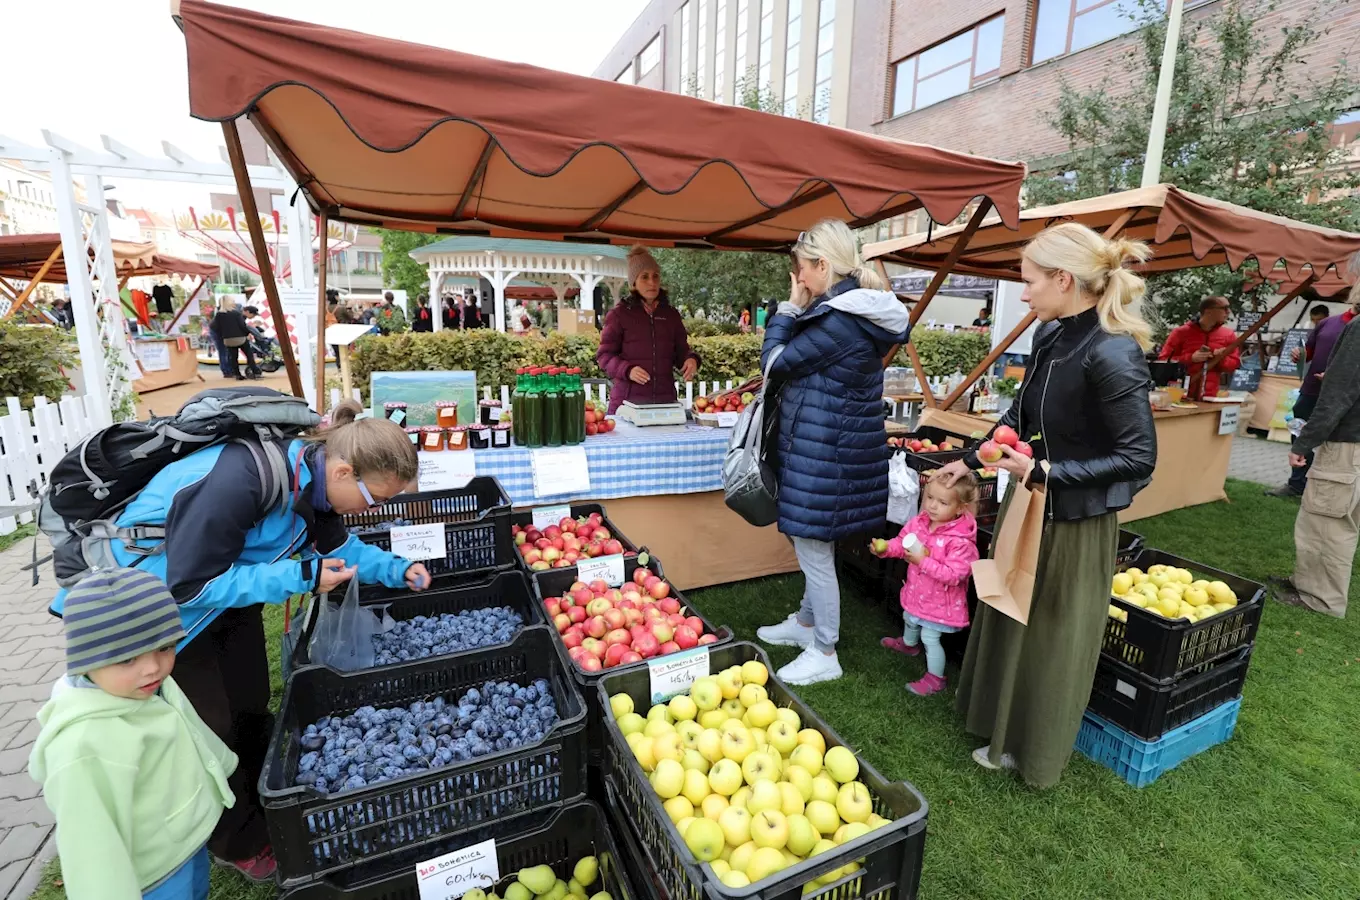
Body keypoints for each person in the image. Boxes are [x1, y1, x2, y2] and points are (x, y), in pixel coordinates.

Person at [48, 401, 433, 880]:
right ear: (342, 470)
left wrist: (396, 569)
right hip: (158, 620)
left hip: (224, 604)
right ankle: (238, 842)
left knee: (251, 704)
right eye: (373, 500)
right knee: (211, 730)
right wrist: (301, 576)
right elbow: (189, 585)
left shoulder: (314, 489)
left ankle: (264, 809)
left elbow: (338, 549)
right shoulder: (241, 480)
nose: (373, 510)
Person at [934, 221, 1157, 787]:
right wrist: (973, 457)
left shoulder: (1112, 353)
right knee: (1009, 613)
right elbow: (1019, 419)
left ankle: (1029, 750)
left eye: (1030, 281)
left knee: (1050, 638)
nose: (1024, 291)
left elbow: (1139, 460)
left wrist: (1044, 470)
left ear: (1064, 279)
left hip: (1074, 523)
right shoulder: (1052, 335)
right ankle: (997, 725)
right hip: (1029, 505)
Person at [752, 219, 910, 686]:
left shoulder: (839, 319)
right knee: (812, 543)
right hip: (830, 454)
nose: (797, 279)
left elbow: (774, 364)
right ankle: (805, 623)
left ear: (822, 265)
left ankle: (825, 649)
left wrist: (786, 310)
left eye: (801, 269)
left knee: (814, 549)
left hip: (826, 457)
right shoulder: (848, 313)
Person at [30, 568, 237, 900]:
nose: (154, 667)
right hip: (153, 874)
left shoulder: (146, 686)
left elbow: (188, 726)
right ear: (86, 659)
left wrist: (220, 766)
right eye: (127, 658)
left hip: (184, 842)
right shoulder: (80, 746)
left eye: (165, 646)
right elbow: (90, 850)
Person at [1270, 278, 1360, 618]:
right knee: (1336, 521)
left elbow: (1339, 394)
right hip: (1353, 443)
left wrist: (1306, 442)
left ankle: (1319, 598)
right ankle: (1306, 582)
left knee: (1326, 523)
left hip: (1347, 444)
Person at [874, 473, 981, 696]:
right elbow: (902, 542)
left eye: (942, 502)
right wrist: (885, 549)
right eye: (930, 497)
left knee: (930, 637)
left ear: (960, 508)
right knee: (909, 618)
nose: (932, 506)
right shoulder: (920, 523)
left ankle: (936, 678)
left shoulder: (961, 542)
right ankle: (909, 644)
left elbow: (954, 575)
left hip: (941, 603)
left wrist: (923, 562)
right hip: (918, 592)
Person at [1266, 301, 1357, 497]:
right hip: (1311, 391)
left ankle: (1326, 491)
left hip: (1342, 398)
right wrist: (1298, 354)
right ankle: (1296, 484)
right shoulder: (1327, 323)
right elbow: (1308, 352)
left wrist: (1336, 378)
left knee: (1336, 442)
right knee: (1299, 433)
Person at [597, 246, 700, 414]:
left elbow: (682, 351)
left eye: (655, 276)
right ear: (634, 283)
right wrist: (627, 370)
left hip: (665, 403)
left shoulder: (671, 315)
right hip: (627, 404)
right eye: (644, 277)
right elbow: (604, 356)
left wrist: (691, 360)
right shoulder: (619, 314)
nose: (652, 282)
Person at [1157, 295, 1241, 399]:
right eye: (1224, 308)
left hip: (1210, 397)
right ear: (1208, 311)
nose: (1228, 312)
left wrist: (1220, 358)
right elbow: (1163, 361)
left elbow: (1234, 365)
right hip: (1180, 396)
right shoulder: (1181, 333)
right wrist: (1190, 358)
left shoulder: (1228, 335)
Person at [210, 297, 257, 381]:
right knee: (249, 354)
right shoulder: (236, 313)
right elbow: (242, 326)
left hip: (228, 340)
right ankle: (254, 371)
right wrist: (247, 333)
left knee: (233, 357)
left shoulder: (219, 315)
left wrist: (224, 335)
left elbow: (215, 327)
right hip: (240, 338)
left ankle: (237, 374)